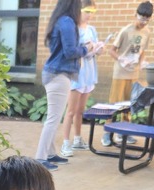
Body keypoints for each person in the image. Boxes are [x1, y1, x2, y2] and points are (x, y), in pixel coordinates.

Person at [35, 0, 93, 170]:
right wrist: (86, 48)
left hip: (56, 73)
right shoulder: (67, 22)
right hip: (59, 74)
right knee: (53, 118)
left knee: (54, 116)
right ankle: (40, 158)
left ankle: (50, 153)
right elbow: (70, 52)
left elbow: (66, 49)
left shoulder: (60, 20)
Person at [102, 1, 154, 148]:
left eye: (147, 19)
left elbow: (142, 50)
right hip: (120, 72)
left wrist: (143, 62)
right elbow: (112, 50)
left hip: (134, 73)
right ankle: (107, 133)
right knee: (114, 103)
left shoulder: (147, 32)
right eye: (141, 18)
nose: (143, 22)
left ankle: (125, 131)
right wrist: (121, 59)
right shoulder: (125, 31)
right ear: (135, 15)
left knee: (129, 103)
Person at [60, 0, 104, 157]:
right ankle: (65, 143)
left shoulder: (92, 29)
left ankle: (77, 139)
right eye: (87, 11)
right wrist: (87, 47)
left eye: (92, 12)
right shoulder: (72, 28)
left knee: (80, 111)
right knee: (70, 111)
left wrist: (98, 48)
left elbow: (95, 51)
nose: (89, 15)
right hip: (77, 74)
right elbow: (72, 51)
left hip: (89, 73)